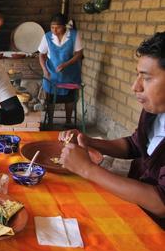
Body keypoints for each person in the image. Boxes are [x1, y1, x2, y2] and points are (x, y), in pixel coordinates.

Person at [59, 32, 165, 229]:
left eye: (147, 78)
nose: (135, 86)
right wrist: (88, 140)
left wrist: (87, 169)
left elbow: (160, 203)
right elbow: (134, 145)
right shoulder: (155, 112)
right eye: (137, 75)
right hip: (136, 202)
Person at [38, 13, 83, 127]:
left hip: (71, 73)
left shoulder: (74, 35)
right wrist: (45, 70)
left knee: (69, 98)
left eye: (57, 27)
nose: (54, 30)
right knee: (51, 97)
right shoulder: (47, 37)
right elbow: (41, 55)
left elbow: (79, 54)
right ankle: (50, 122)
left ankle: (68, 121)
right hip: (52, 73)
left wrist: (66, 64)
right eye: (52, 27)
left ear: (64, 26)